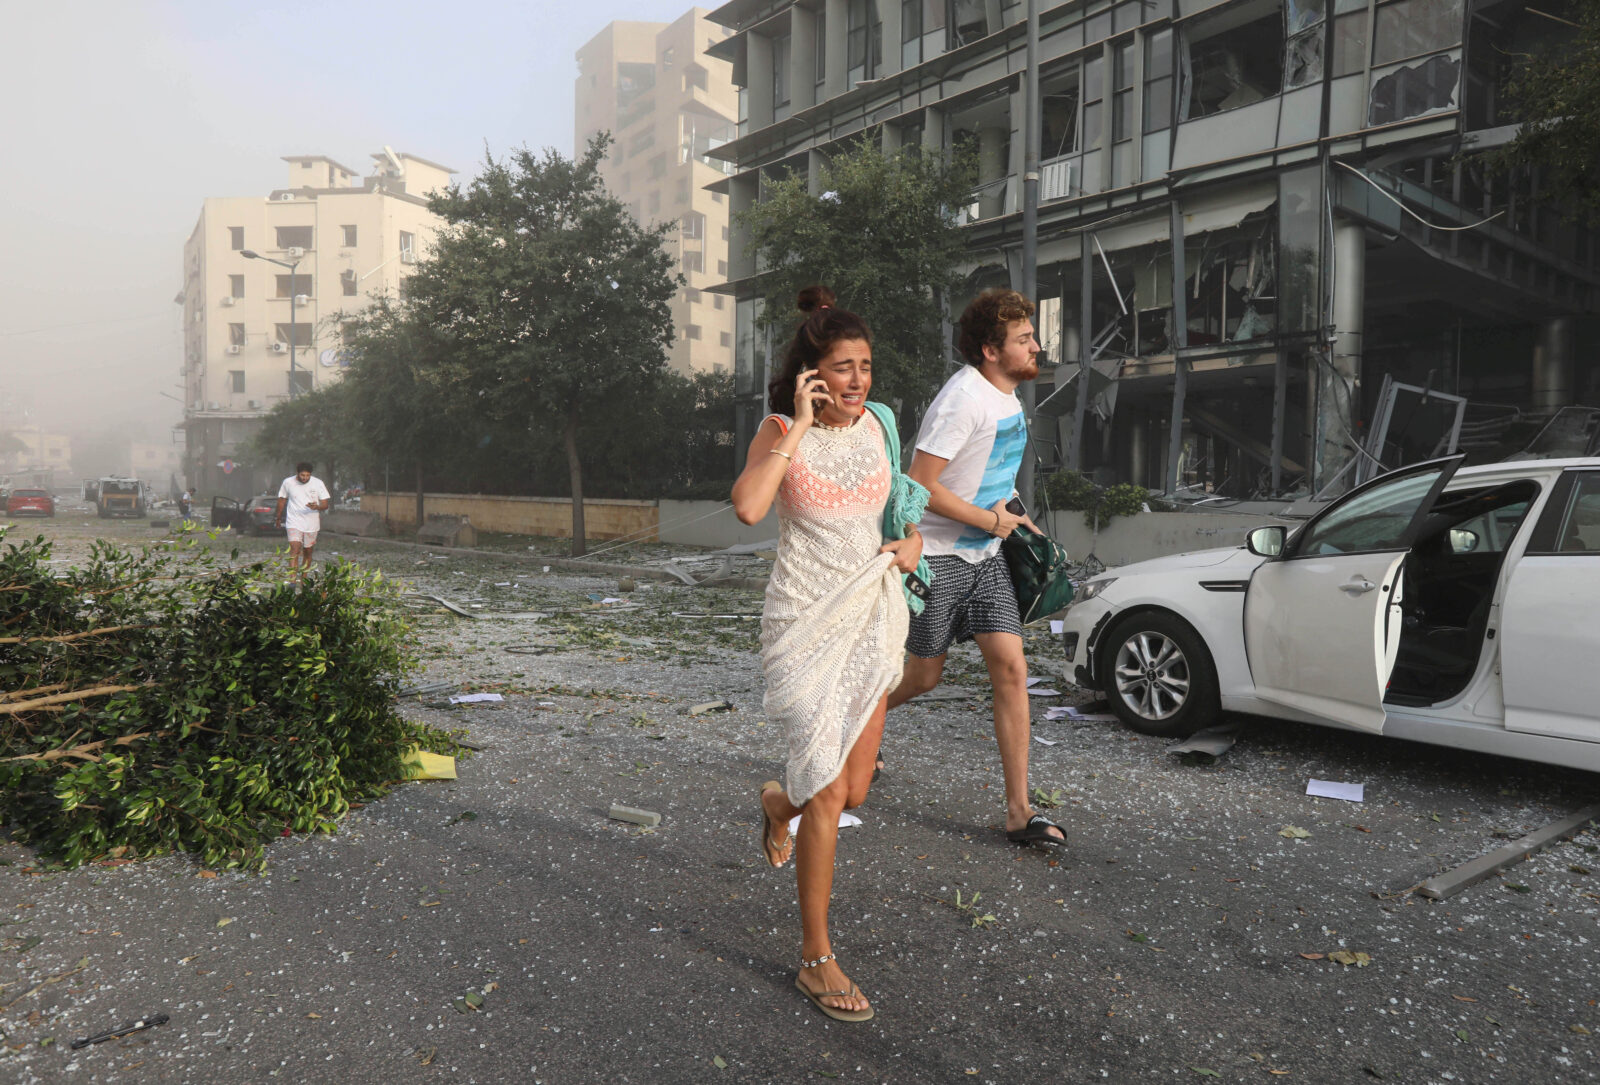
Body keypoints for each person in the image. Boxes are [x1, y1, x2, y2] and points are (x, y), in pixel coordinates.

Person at [731, 286, 923, 1023]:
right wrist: (800, 425)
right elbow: (749, 506)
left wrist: (911, 546)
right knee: (833, 790)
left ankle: (780, 802)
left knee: (853, 790)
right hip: (804, 622)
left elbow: (904, 510)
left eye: (865, 366)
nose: (858, 381)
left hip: (874, 616)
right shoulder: (782, 426)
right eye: (842, 367)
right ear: (811, 372)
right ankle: (816, 957)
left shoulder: (880, 424)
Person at [884, 289, 1068, 849]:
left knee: (1011, 668)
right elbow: (919, 487)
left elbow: (990, 474)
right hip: (938, 559)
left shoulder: (1007, 399)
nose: (1036, 346)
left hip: (986, 560)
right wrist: (989, 522)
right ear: (990, 350)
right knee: (922, 678)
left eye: (1032, 337)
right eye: (1023, 340)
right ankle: (854, 724)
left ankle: (1020, 812)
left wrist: (1018, 517)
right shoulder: (963, 399)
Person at [274, 461, 331, 579]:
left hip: (311, 523)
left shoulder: (318, 483)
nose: (305, 478)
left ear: (310, 474)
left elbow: (325, 505)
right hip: (293, 521)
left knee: (308, 551)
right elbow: (281, 500)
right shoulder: (288, 482)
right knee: (295, 548)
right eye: (302, 475)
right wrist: (278, 517)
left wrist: (317, 507)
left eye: (307, 476)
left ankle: (304, 579)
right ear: (297, 473)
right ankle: (292, 581)